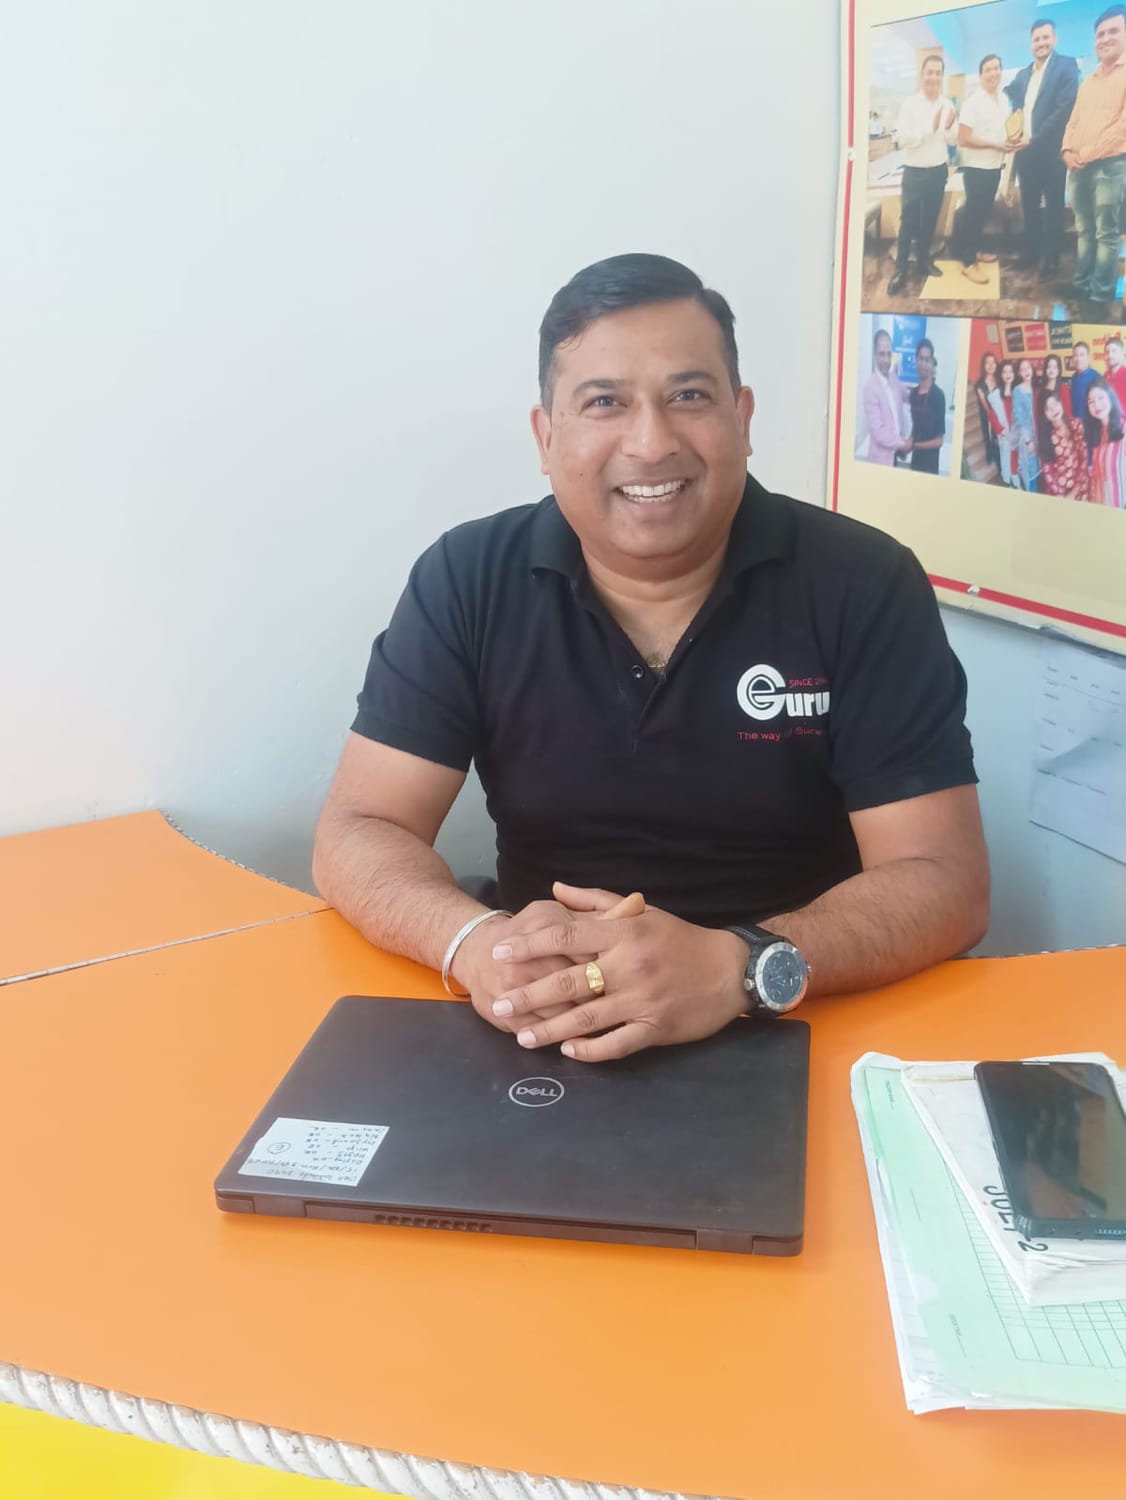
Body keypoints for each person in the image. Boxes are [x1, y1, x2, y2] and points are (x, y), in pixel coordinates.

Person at [313, 254, 989, 1063]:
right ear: (546, 434)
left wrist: (738, 965)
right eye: (605, 402)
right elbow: (360, 828)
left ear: (741, 417)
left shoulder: (864, 583)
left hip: (802, 1012)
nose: (651, 441)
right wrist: (473, 943)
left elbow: (943, 877)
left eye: (688, 397)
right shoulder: (468, 579)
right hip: (540, 1022)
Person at [1061, 6, 1126, 311]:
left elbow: (1120, 129)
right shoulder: (1089, 80)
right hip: (1078, 169)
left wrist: (1082, 154)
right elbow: (1073, 119)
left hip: (1110, 167)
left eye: (1113, 31)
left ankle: (1100, 296)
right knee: (1084, 231)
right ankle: (1081, 283)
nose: (1105, 38)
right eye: (1100, 34)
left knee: (1106, 234)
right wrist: (1066, 151)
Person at [1004, 19, 1079, 274]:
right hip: (1025, 156)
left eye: (1046, 38)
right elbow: (1013, 98)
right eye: (1037, 39)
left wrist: (1034, 139)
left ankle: (1052, 257)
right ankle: (1031, 251)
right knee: (1029, 207)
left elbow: (1063, 109)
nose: (1041, 43)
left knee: (1054, 207)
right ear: (1030, 43)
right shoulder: (1024, 74)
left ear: (1054, 39)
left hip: (1050, 155)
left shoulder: (1066, 66)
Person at [888, 56, 957, 296]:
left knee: (929, 221)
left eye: (938, 73)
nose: (934, 77)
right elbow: (902, 140)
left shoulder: (947, 104)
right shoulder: (909, 105)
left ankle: (924, 263)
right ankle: (900, 271)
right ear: (922, 74)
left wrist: (948, 130)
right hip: (914, 172)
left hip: (938, 170)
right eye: (930, 72)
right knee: (908, 223)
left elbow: (950, 141)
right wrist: (930, 129)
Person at [953, 55, 1015, 285]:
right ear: (980, 75)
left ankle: (973, 250)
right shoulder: (972, 102)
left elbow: (1002, 132)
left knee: (980, 215)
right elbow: (964, 138)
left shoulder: (1003, 100)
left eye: (996, 68)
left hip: (994, 167)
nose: (993, 73)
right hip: (976, 169)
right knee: (973, 216)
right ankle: (967, 263)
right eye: (988, 69)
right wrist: (995, 145)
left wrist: (1010, 142)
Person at [861, 328, 911, 465]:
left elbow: (907, 397)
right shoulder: (870, 388)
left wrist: (924, 389)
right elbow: (879, 432)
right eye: (881, 354)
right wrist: (902, 443)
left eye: (889, 354)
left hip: (895, 455)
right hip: (881, 460)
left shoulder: (894, 379)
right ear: (874, 355)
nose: (886, 360)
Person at [1037, 391, 1089, 499]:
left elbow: (1085, 458)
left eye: (1055, 404)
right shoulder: (1045, 438)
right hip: (1059, 493)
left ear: (1061, 403)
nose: (1053, 410)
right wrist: (1063, 497)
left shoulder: (1076, 424)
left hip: (1081, 486)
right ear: (1044, 414)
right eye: (1048, 408)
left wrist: (1075, 491)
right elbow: (1047, 472)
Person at [1085, 376, 1126, 505]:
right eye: (1091, 401)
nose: (1096, 405)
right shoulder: (1098, 432)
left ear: (1110, 397)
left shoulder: (1123, 431)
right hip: (1100, 505)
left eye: (1100, 397)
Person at [907, 337, 945, 475]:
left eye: (927, 359)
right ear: (916, 361)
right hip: (915, 462)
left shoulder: (938, 395)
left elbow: (939, 441)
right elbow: (915, 428)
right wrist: (908, 442)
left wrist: (914, 445)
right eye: (921, 359)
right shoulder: (913, 394)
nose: (923, 363)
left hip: (930, 467)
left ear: (931, 362)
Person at [987, 359, 1020, 487]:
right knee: (1006, 457)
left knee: (1015, 458)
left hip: (1017, 433)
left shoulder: (1018, 391)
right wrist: (1002, 431)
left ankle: (1015, 478)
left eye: (1010, 371)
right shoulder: (995, 395)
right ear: (1000, 374)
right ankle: (1009, 482)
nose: (1008, 374)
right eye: (1004, 372)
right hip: (1005, 435)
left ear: (1014, 373)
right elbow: (992, 415)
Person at [1013, 357, 1040, 491]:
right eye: (1022, 369)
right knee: (1031, 474)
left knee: (1043, 472)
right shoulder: (1017, 391)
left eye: (1028, 368)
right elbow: (1020, 419)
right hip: (1028, 438)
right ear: (1019, 373)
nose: (1026, 371)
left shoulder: (1037, 387)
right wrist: (1028, 441)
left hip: (1040, 436)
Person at [974, 350, 1000, 470]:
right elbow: (987, 407)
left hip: (1002, 415)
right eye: (987, 363)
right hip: (990, 417)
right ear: (983, 366)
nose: (990, 365)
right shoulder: (980, 385)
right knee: (994, 442)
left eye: (993, 362)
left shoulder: (1000, 380)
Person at [1070, 341, 1098, 424]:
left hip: (1091, 426)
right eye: (1075, 355)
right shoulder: (1074, 377)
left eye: (1082, 355)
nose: (1078, 359)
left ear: (1088, 357)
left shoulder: (1096, 378)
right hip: (1076, 425)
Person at [1039, 353, 1072, 419]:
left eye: (1055, 367)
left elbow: (1068, 413)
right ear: (1045, 369)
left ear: (1059, 370)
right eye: (1049, 367)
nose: (1051, 370)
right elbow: (1039, 415)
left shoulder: (1064, 389)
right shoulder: (1040, 391)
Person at [1105, 336, 1126, 409]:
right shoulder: (1105, 376)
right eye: (1107, 352)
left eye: (1114, 351)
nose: (1110, 355)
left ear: (1121, 353)